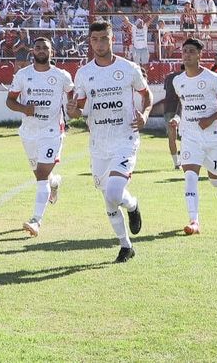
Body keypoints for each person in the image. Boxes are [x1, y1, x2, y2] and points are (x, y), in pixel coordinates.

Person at [68, 22, 150, 263]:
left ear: (112, 40)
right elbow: (78, 109)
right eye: (95, 39)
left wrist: (144, 115)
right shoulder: (83, 73)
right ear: (90, 41)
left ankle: (133, 206)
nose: (99, 44)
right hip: (98, 144)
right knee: (109, 198)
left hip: (125, 138)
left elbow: (147, 95)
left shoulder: (128, 68)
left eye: (104, 38)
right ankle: (126, 246)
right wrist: (72, 111)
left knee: (114, 191)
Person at [6, 38, 73, 237]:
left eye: (46, 48)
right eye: (38, 47)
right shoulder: (23, 75)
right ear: (32, 51)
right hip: (29, 132)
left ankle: (36, 220)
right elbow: (10, 101)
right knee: (40, 176)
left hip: (52, 132)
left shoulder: (61, 76)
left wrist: (73, 107)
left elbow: (73, 94)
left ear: (52, 52)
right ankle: (55, 183)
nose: (42, 50)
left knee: (41, 175)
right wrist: (24, 108)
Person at [170, 38, 217, 235]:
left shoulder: (213, 79)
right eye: (184, 51)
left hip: (213, 135)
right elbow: (182, 104)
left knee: (215, 182)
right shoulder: (178, 81)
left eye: (191, 51)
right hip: (190, 136)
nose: (187, 54)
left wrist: (211, 118)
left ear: (200, 54)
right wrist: (176, 117)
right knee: (190, 176)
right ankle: (194, 221)